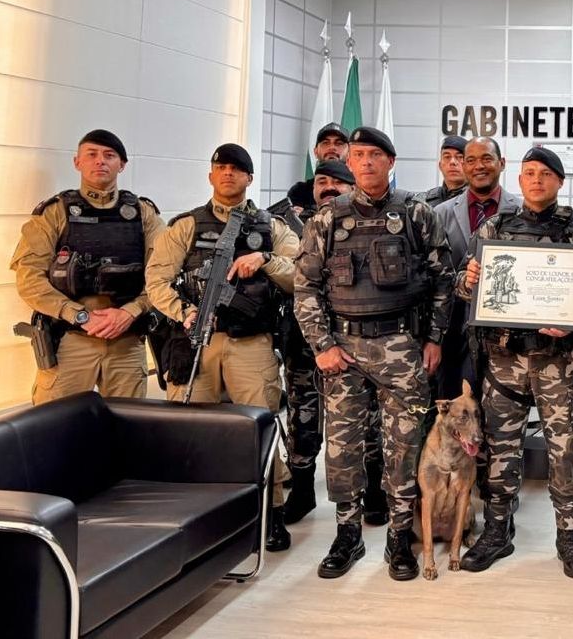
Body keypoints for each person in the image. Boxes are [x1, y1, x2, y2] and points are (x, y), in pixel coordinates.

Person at [293, 126, 454, 581]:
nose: (364, 162)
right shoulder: (327, 218)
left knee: (403, 445)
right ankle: (348, 532)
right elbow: (305, 285)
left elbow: (444, 279)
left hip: (401, 347)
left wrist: (435, 338)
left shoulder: (418, 214)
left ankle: (400, 536)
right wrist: (321, 344)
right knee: (343, 447)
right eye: (358, 155)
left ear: (391, 161)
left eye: (374, 155)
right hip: (342, 350)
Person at [456, 146, 573, 579]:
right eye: (529, 173)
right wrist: (467, 282)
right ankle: (497, 531)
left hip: (558, 363)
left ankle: (569, 535)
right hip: (504, 359)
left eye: (546, 173)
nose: (537, 179)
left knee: (565, 453)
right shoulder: (495, 226)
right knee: (500, 449)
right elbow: (464, 288)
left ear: (560, 182)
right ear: (519, 180)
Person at [145, 143, 299, 553]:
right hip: (199, 340)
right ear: (211, 176)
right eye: (220, 168)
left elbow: (301, 274)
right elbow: (157, 280)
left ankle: (272, 511)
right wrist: (185, 312)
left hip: (252, 344)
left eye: (237, 169)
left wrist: (264, 259)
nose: (228, 174)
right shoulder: (185, 227)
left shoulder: (273, 227)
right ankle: (195, 517)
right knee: (191, 430)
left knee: (260, 428)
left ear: (250, 178)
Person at [12, 130, 164, 404]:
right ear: (77, 162)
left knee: (127, 430)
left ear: (122, 164)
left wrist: (130, 312)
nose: (100, 162)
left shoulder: (144, 214)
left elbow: (163, 274)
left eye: (109, 155)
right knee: (58, 431)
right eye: (91, 155)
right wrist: (80, 315)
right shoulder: (55, 212)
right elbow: (29, 278)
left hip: (126, 342)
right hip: (70, 341)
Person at [278, 159, 376, 526]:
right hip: (305, 342)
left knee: (364, 421)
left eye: (339, 181)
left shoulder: (364, 222)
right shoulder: (289, 222)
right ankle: (302, 489)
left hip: (354, 343)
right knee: (303, 419)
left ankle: (373, 492)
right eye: (322, 181)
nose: (329, 187)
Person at [434, 137, 521, 400]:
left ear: (501, 163)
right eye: (470, 160)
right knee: (456, 417)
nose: (478, 166)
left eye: (486, 158)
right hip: (453, 333)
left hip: (505, 336)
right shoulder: (441, 213)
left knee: (500, 419)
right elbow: (434, 276)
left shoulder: (520, 212)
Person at [416, 135, 469, 207]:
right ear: (440, 165)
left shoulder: (479, 200)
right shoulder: (424, 202)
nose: (452, 162)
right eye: (447, 157)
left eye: (459, 157)